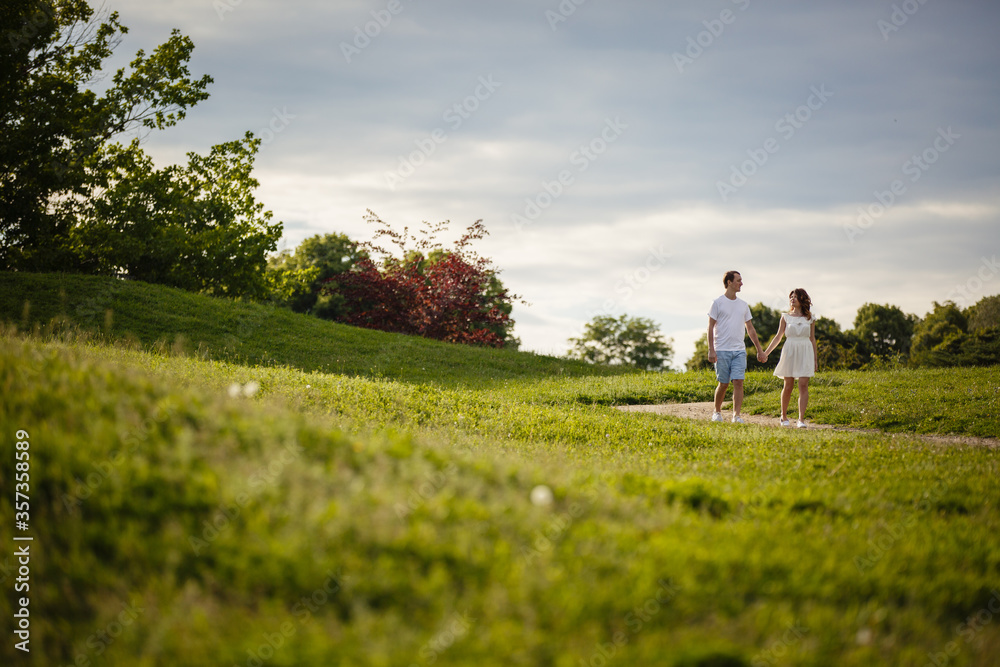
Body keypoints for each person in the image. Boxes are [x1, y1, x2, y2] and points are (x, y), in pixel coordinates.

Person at [707, 270, 765, 424]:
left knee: (738, 382)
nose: (741, 283)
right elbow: (710, 327)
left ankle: (736, 416)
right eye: (738, 280)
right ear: (729, 282)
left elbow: (750, 329)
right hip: (721, 350)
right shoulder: (717, 303)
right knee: (724, 383)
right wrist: (711, 349)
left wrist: (759, 349)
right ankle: (717, 412)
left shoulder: (743, 305)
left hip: (739, 350)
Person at [761, 288, 819, 428]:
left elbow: (812, 339)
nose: (792, 299)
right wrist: (765, 353)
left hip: (805, 351)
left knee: (803, 385)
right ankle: (784, 416)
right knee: (788, 385)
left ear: (802, 299)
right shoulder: (785, 317)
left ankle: (801, 420)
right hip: (790, 350)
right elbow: (778, 336)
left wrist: (815, 360)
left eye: (795, 296)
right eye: (791, 297)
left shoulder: (810, 318)